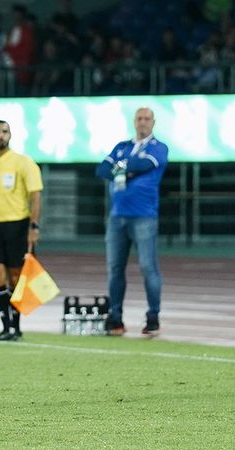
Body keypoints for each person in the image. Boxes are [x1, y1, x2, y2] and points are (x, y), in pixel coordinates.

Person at [95, 107, 168, 337]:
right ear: (134, 121)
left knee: (148, 267)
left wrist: (122, 167)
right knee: (114, 268)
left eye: (147, 118)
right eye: (139, 118)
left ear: (153, 122)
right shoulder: (122, 146)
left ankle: (153, 317)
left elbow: (143, 165)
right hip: (117, 216)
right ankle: (115, 318)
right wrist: (127, 168)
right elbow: (102, 169)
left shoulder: (159, 147)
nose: (143, 122)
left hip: (144, 215)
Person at [0, 120, 43, 341]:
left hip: (17, 225)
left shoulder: (24, 162)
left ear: (10, 135)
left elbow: (35, 196)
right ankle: (5, 327)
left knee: (15, 276)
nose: (0, 135)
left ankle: (16, 327)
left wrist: (33, 226)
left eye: (4, 132)